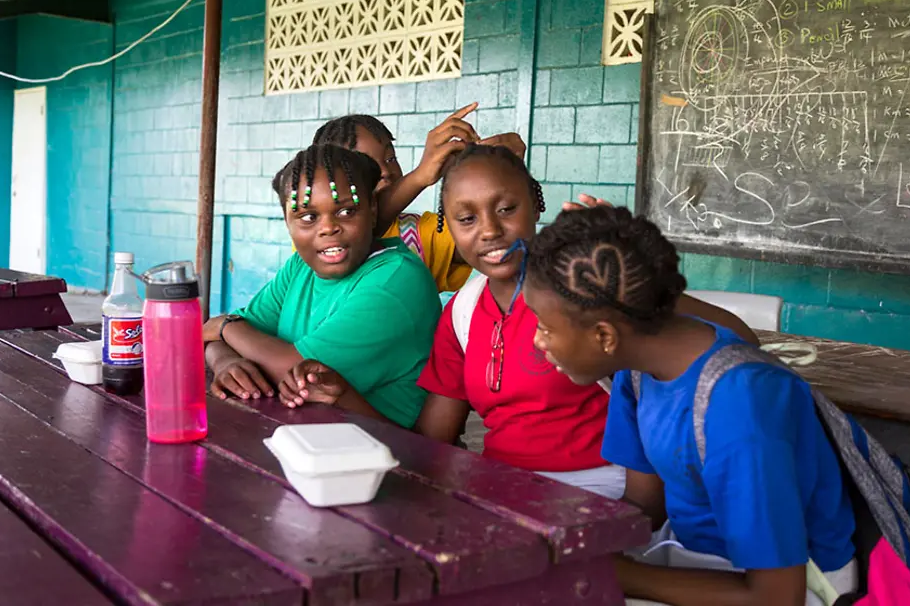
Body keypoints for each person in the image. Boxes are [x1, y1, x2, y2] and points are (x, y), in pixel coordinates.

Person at [522, 205, 858, 606]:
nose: (537, 342)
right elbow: (646, 505)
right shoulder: (638, 372)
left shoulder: (738, 407)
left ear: (604, 336)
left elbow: (776, 597)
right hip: (699, 559)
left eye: (544, 326)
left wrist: (622, 575)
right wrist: (560, 540)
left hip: (798, 586)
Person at [414, 144, 760, 499]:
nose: (489, 230)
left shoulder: (587, 291)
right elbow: (433, 437)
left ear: (536, 206)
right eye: (467, 219)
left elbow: (740, 342)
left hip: (600, 487)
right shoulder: (463, 311)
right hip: (500, 487)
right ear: (448, 227)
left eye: (506, 209)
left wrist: (634, 280)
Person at [203, 143, 440, 429]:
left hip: (383, 455)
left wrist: (227, 325)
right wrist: (225, 362)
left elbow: (295, 371)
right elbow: (214, 338)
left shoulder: (396, 280)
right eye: (307, 217)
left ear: (373, 210)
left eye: (346, 212)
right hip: (303, 439)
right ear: (288, 224)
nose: (328, 228)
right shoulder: (301, 267)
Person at [309, 104, 525, 293]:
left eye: (390, 158)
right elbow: (361, 228)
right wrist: (420, 176)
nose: (385, 170)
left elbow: (491, 241)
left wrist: (504, 172)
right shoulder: (317, 231)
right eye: (368, 164)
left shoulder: (419, 233)